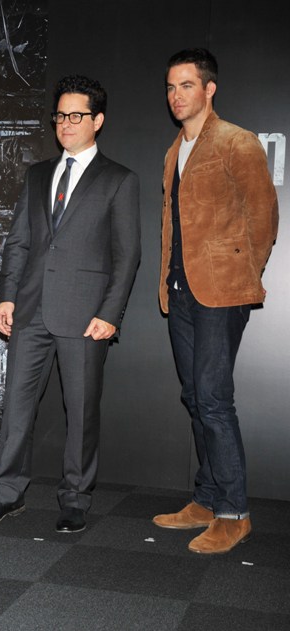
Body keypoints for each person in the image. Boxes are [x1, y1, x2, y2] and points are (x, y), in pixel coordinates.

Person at [0, 75, 141, 533]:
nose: (66, 123)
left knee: (81, 412)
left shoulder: (119, 180)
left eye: (76, 115)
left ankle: (75, 499)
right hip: (29, 311)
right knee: (16, 408)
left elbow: (127, 255)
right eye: (60, 115)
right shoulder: (38, 174)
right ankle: (6, 494)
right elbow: (19, 243)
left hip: (85, 315)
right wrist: (7, 296)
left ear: (97, 120)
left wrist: (110, 313)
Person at [152, 48, 278, 553]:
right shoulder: (174, 150)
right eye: (170, 86)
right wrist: (168, 281)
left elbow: (263, 219)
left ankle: (233, 512)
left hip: (220, 293)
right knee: (195, 396)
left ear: (209, 89)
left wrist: (239, 275)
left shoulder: (236, 141)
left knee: (213, 399)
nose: (176, 95)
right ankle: (206, 500)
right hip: (180, 290)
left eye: (186, 85)